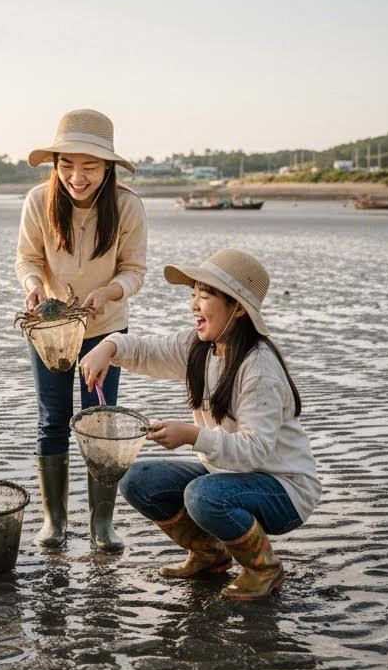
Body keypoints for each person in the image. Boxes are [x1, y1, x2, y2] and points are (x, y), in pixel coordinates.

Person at [79, 248, 321, 601]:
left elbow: (255, 451)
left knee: (202, 496)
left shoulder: (259, 368)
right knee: (136, 478)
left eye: (204, 295)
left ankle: (263, 567)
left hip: (283, 489)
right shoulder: (200, 346)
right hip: (228, 476)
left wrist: (193, 436)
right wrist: (108, 346)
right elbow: (147, 350)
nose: (193, 304)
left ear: (237, 308)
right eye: (193, 293)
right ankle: (210, 555)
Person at [15, 108, 147, 553]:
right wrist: (33, 286)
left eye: (89, 167)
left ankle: (101, 524)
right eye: (67, 165)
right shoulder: (38, 201)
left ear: (107, 167)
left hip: (105, 327)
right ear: (56, 165)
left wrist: (110, 292)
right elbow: (27, 259)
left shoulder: (127, 206)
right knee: (52, 420)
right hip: (51, 328)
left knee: (99, 422)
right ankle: (54, 522)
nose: (77, 177)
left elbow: (135, 271)